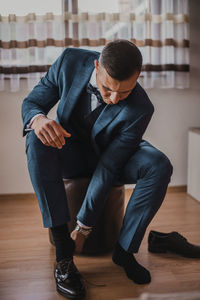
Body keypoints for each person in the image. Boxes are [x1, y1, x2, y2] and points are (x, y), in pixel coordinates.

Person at [21, 39, 173, 299]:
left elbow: (109, 166)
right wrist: (39, 119)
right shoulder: (69, 61)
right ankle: (63, 256)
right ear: (96, 66)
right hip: (71, 150)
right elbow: (33, 101)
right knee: (36, 138)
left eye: (124, 93)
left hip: (114, 154)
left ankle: (124, 252)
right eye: (107, 88)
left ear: (137, 77)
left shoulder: (142, 107)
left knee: (159, 165)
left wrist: (83, 227)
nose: (114, 99)